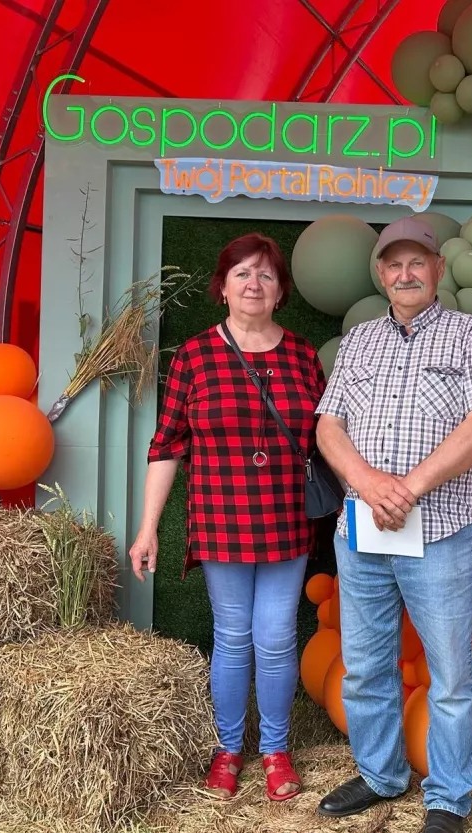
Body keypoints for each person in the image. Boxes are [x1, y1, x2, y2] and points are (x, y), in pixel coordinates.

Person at [312, 217, 472, 833]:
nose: (406, 274)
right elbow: (328, 427)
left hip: (441, 533)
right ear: (381, 274)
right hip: (363, 532)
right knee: (365, 665)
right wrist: (369, 483)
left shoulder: (469, 335)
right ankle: (381, 774)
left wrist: (408, 487)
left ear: (438, 270)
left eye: (417, 263)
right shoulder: (360, 341)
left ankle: (449, 797)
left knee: (451, 673)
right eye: (394, 264)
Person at [128, 232, 326, 803]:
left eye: (265, 274)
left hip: (287, 519)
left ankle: (276, 751)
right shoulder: (195, 356)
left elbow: (328, 437)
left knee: (277, 637)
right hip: (222, 518)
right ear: (222, 287)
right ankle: (228, 749)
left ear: (281, 290)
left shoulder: (303, 355)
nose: (253, 284)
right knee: (234, 637)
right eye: (242, 273)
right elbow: (167, 444)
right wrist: (148, 529)